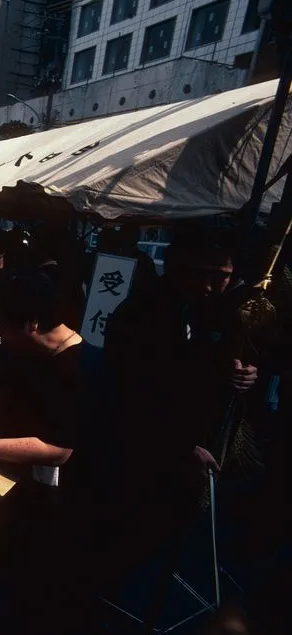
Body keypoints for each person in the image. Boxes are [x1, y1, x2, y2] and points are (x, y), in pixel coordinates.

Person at [0, 266, 102, 635]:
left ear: (32, 323)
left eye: (4, 326)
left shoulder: (83, 367)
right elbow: (4, 392)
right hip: (4, 494)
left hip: (56, 507)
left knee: (32, 599)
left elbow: (59, 449)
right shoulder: (19, 352)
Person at [103, 227, 259, 572]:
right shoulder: (142, 313)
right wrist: (181, 448)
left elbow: (207, 369)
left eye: (221, 277)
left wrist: (242, 374)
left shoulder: (213, 311)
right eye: (201, 274)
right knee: (129, 545)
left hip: (193, 445)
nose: (210, 285)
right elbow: (133, 394)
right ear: (176, 266)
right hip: (143, 453)